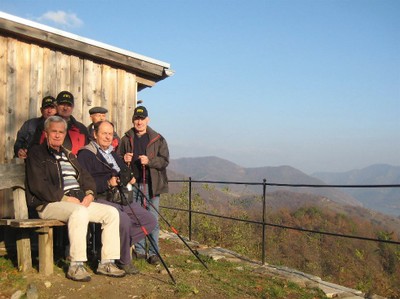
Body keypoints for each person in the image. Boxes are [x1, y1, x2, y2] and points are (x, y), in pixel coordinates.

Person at [25, 115, 125, 282]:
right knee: (79, 212)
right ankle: (76, 265)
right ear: (46, 133)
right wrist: (64, 198)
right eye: (54, 131)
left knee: (111, 213)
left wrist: (90, 194)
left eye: (61, 132)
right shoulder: (37, 153)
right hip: (49, 203)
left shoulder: (69, 155)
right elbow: (38, 186)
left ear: (65, 134)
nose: (58, 135)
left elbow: (87, 178)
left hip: (76, 202)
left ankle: (107, 262)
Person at [77, 120, 157, 274]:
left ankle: (117, 246)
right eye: (104, 133)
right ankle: (124, 261)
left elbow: (123, 172)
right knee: (124, 221)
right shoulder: (86, 154)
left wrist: (130, 177)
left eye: (110, 134)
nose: (108, 137)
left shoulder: (113, 154)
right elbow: (83, 182)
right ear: (95, 134)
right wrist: (107, 182)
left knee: (149, 220)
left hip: (121, 197)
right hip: (101, 198)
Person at [117, 106, 169, 265]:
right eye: (136, 119)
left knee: (152, 219)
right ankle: (139, 250)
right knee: (135, 218)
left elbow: (164, 161)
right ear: (133, 120)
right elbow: (116, 159)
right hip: (132, 185)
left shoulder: (158, 139)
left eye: (142, 118)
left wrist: (150, 161)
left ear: (148, 120)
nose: (139, 122)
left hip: (152, 186)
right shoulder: (126, 138)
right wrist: (123, 158)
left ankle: (153, 252)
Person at [32, 91, 90, 155]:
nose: (65, 108)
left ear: (73, 107)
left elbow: (87, 153)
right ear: (56, 105)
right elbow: (34, 151)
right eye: (62, 104)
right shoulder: (44, 125)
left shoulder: (81, 129)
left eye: (69, 105)